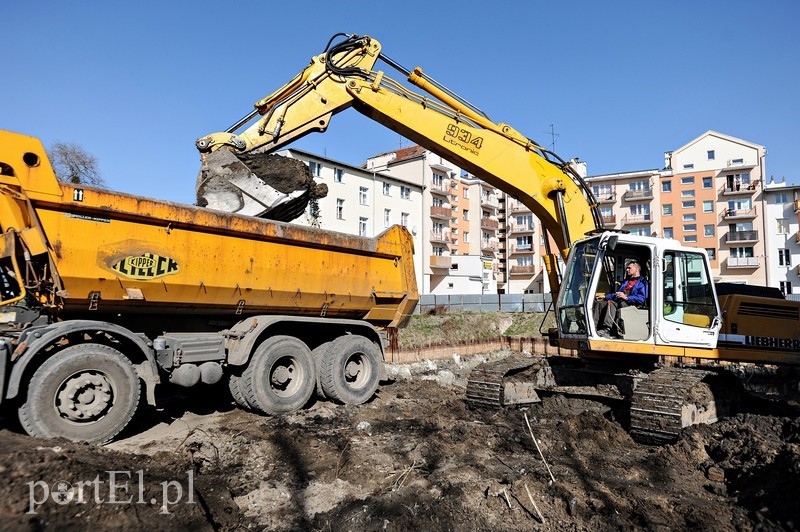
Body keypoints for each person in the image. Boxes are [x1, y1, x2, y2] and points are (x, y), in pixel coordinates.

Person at [594, 259, 649, 338]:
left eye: (629, 268)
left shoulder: (642, 282)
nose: (627, 270)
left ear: (637, 269)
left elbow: (641, 298)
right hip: (620, 301)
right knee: (600, 303)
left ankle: (607, 329)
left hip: (632, 304)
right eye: (627, 268)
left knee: (612, 303)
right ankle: (594, 328)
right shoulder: (626, 281)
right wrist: (605, 296)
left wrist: (626, 297)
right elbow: (617, 294)